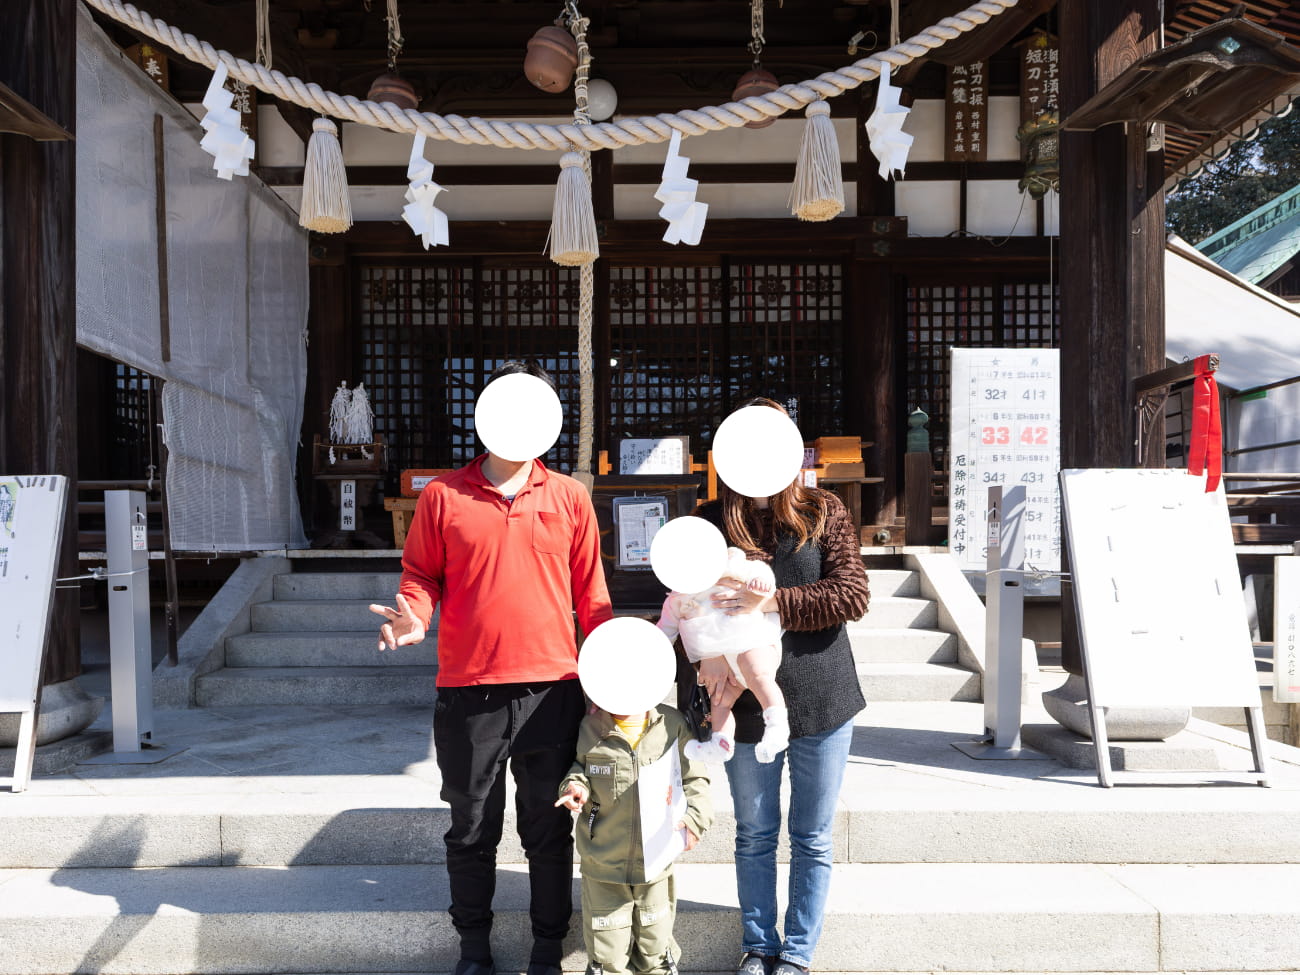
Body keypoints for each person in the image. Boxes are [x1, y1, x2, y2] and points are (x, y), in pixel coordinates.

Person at [370, 361, 614, 975]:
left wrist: (611, 677)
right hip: (468, 691)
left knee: (549, 831)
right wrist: (414, 618)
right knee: (472, 827)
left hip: (552, 688)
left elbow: (593, 595)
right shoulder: (444, 496)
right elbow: (421, 575)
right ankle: (473, 949)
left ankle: (545, 952)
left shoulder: (569, 497)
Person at [693, 398, 871, 975]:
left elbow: (852, 594)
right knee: (754, 832)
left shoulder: (825, 510)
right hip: (743, 703)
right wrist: (703, 658)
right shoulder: (715, 518)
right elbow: (687, 604)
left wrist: (770, 601)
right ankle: (758, 945)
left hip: (822, 697)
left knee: (813, 836)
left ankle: (796, 954)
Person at [555, 700, 713, 975]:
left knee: (655, 947)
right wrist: (574, 787)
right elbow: (579, 767)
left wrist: (695, 820)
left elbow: (694, 778)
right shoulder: (591, 726)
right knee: (608, 954)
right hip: (604, 862)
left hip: (655, 860)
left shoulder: (671, 723)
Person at [655, 545, 788, 764]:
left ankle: (776, 725)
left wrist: (760, 583)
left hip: (751, 642)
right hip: (720, 662)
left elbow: (759, 571)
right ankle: (720, 742)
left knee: (757, 672)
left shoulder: (732, 566)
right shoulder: (677, 598)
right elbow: (665, 631)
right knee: (720, 700)